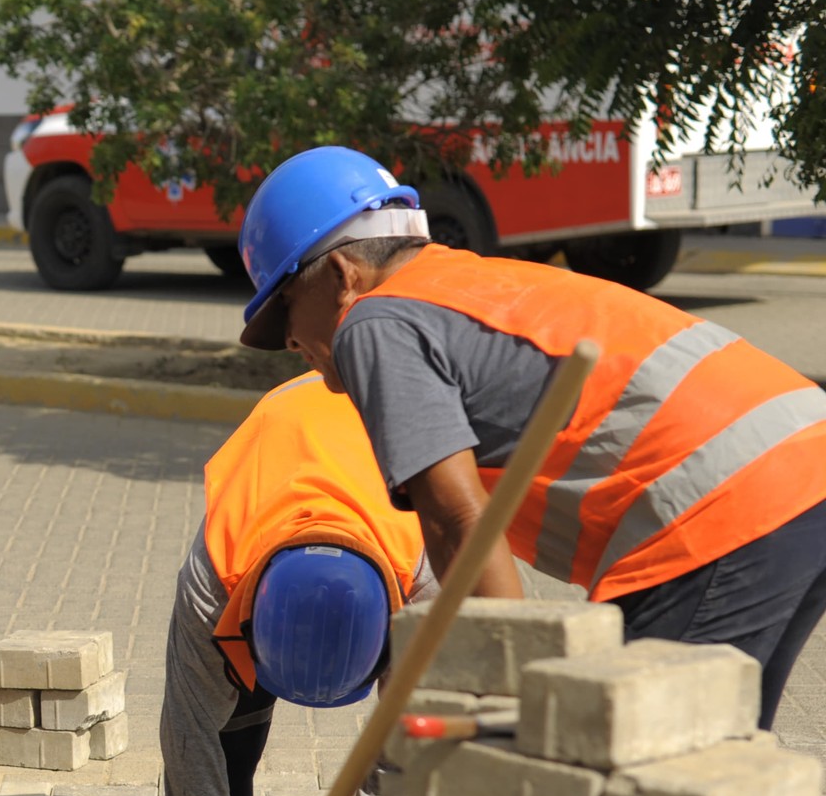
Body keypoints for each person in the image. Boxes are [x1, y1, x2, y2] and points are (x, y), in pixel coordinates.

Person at [237, 145, 826, 730]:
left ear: (342, 275)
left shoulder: (374, 322)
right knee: (716, 775)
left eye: (284, 309)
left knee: (635, 771)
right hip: (801, 459)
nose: (289, 342)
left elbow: (456, 521)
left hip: (721, 509)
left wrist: (514, 688)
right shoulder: (461, 281)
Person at [127, 372, 433, 796]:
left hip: (379, 449)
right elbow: (186, 727)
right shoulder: (213, 579)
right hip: (278, 453)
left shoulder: (425, 576)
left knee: (422, 695)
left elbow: (418, 717)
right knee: (223, 703)